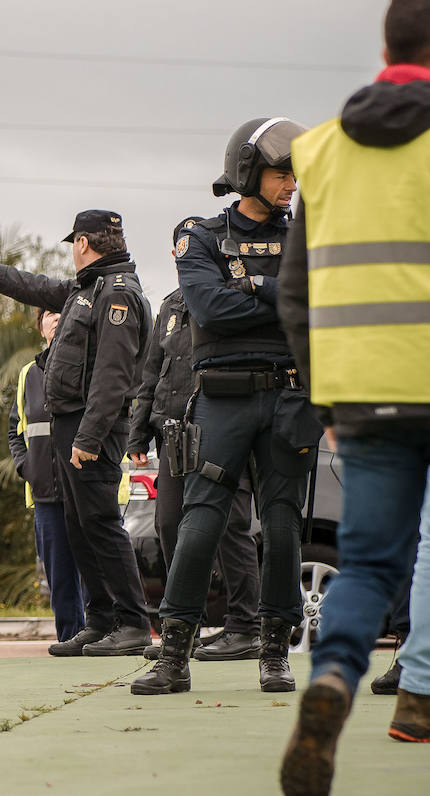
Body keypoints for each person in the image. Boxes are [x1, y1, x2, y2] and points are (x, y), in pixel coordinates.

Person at [277, 0, 430, 795]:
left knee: (368, 566)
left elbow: (293, 294)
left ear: (387, 51)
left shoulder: (325, 150)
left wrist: (326, 393)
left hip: (366, 393)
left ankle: (333, 678)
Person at [130, 116, 315, 698]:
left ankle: (274, 654)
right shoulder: (200, 234)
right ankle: (174, 658)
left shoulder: (312, 236)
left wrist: (253, 289)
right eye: (281, 173)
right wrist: (282, 295)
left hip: (289, 396)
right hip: (221, 399)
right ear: (247, 172)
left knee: (283, 528)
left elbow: (320, 302)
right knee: (200, 523)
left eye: (295, 175)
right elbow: (209, 309)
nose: (291, 185)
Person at [0, 211, 152, 657]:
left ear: (82, 242)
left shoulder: (115, 294)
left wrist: (89, 438)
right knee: (80, 526)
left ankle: (133, 623)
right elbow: (32, 286)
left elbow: (113, 378)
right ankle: (99, 621)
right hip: (70, 429)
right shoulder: (86, 290)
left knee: (101, 525)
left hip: (90, 431)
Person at [126, 218, 262, 661]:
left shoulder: (226, 299)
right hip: (171, 433)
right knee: (169, 526)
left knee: (230, 527)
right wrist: (137, 434)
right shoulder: (168, 307)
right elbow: (151, 374)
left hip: (220, 426)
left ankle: (245, 626)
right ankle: (184, 627)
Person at [9, 307, 86, 643]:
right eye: (49, 314)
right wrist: (27, 467)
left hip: (85, 489)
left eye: (62, 313)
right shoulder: (29, 374)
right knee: (58, 573)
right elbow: (16, 428)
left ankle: (98, 635)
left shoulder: (90, 364)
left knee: (92, 570)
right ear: (40, 326)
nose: (56, 318)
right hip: (45, 493)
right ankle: (68, 637)